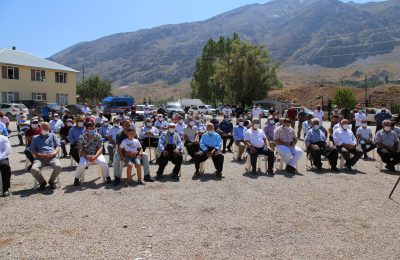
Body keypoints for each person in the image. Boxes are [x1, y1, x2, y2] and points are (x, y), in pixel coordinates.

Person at [113, 120, 154, 185]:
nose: (127, 126)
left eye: (129, 125)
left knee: (145, 155)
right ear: (122, 126)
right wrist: (125, 153)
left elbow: (139, 145)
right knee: (116, 156)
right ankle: (117, 178)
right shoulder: (119, 134)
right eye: (126, 125)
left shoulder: (133, 133)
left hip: (135, 153)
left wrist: (137, 152)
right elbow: (118, 147)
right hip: (124, 153)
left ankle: (147, 175)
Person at [30, 122, 62, 190]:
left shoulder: (53, 135)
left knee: (58, 167)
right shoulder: (35, 138)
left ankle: (51, 181)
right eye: (44, 127)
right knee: (33, 170)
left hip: (52, 157)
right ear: (40, 128)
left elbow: (58, 146)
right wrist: (39, 155)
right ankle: (42, 182)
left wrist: (54, 153)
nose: (46, 129)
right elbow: (32, 150)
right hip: (40, 158)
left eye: (47, 127)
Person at [0, 132, 11, 196]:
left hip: (2, 157)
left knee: (5, 166)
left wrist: (1, 157)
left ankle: (5, 188)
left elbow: (7, 150)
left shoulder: (3, 138)